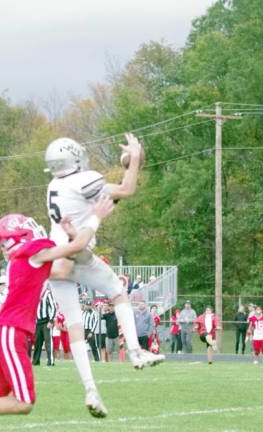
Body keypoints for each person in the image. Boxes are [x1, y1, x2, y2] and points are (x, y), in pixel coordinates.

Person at [0, 196, 114, 431]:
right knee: (24, 402)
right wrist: (96, 217)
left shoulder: (26, 258)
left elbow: (64, 266)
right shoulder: (31, 252)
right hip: (12, 332)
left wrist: (72, 234)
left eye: (3, 244)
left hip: (8, 331)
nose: (3, 249)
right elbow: (76, 248)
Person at [43, 134, 164, 417]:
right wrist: (134, 159)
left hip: (55, 257)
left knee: (74, 325)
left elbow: (106, 193)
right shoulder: (83, 181)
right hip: (76, 252)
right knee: (115, 289)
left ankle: (90, 389)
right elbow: (127, 189)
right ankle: (135, 351)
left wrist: (130, 164)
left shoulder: (55, 184)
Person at [32, 284, 56, 366]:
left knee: (48, 342)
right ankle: (35, 361)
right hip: (38, 322)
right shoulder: (35, 293)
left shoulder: (47, 293)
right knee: (37, 342)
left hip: (46, 321)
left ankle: (51, 361)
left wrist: (51, 320)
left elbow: (53, 307)